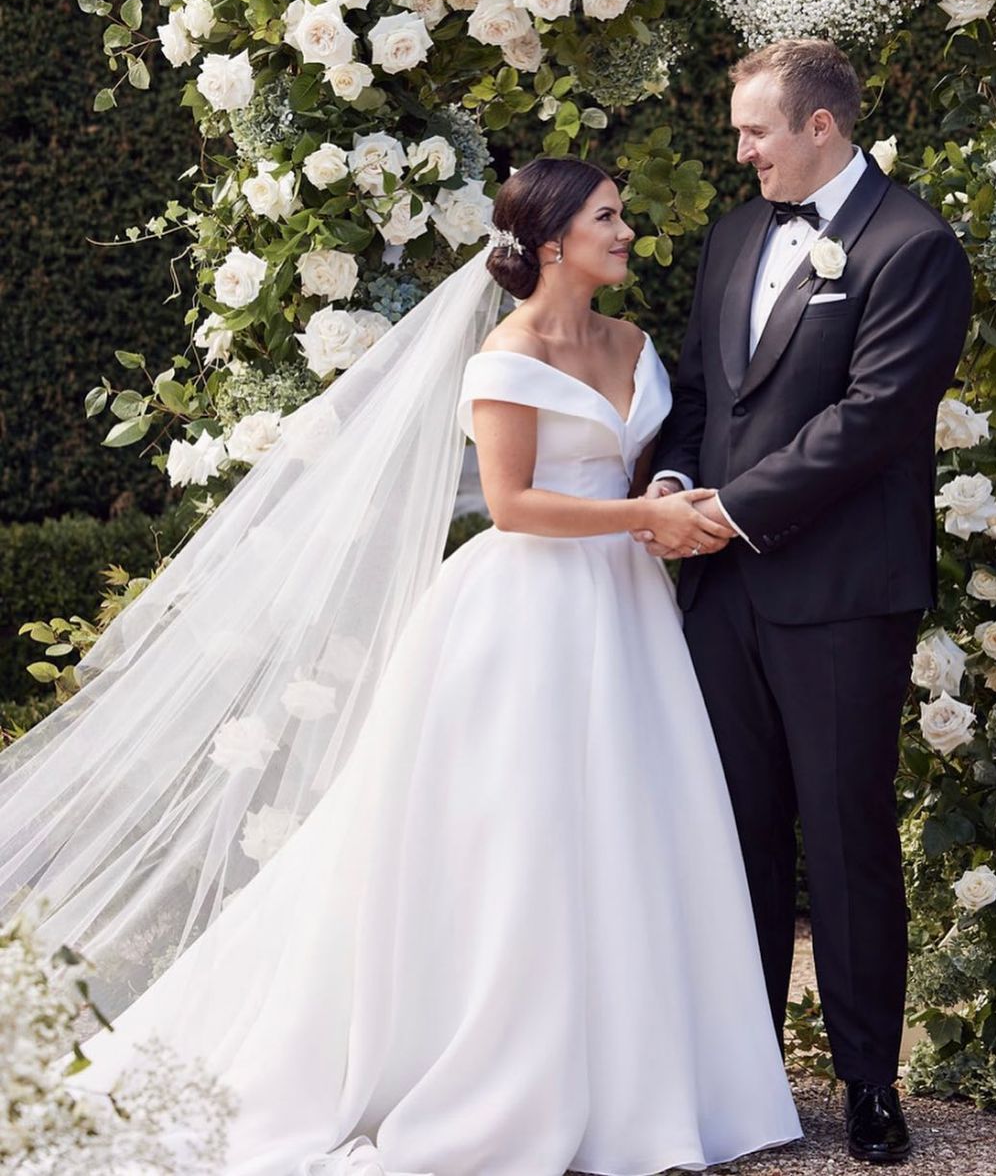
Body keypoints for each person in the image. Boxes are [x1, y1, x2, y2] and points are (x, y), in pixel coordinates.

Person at [4, 157, 802, 1175]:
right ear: (551, 241)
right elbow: (513, 504)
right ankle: (504, 1061)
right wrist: (639, 518)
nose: (626, 230)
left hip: (629, 609)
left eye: (622, 214)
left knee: (631, 820)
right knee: (522, 835)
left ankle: (635, 1076)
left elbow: (642, 465)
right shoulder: (506, 358)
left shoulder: (636, 343)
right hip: (528, 612)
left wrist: (663, 508)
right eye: (607, 216)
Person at [637, 38, 972, 1164]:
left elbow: (871, 420)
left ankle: (871, 1084)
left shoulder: (914, 245)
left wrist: (726, 509)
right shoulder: (736, 235)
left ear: (820, 126)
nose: (742, 151)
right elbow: (699, 389)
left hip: (840, 593)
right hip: (721, 588)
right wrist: (674, 480)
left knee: (844, 835)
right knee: (731, 831)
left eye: (756, 131)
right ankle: (747, 1078)